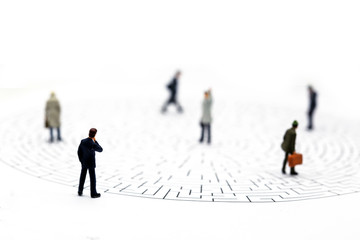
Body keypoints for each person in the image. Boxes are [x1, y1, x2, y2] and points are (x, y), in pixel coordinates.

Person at [77, 128, 103, 198]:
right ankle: (93, 193)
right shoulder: (93, 143)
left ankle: (80, 190)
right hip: (91, 163)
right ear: (95, 134)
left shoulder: (83, 141)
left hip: (84, 162)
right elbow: (100, 149)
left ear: (89, 133)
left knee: (82, 177)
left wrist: (81, 160)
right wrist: (95, 141)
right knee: (92, 179)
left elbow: (79, 152)